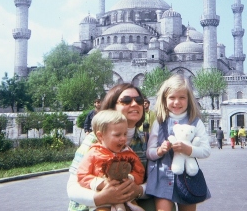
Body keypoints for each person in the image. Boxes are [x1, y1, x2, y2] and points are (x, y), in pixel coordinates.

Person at [67, 83, 173, 211]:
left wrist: (138, 190)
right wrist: (102, 197)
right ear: (112, 107)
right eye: (126, 100)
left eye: (139, 100)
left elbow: (156, 181)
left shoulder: (146, 139)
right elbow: (72, 187)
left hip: (130, 201)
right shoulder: (95, 139)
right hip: (93, 203)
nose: (134, 104)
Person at [146, 74, 211, 211]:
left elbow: (206, 150)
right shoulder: (160, 121)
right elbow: (150, 153)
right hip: (162, 178)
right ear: (164, 99)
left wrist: (188, 149)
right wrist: (159, 151)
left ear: (189, 99)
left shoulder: (195, 121)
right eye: (172, 98)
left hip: (187, 178)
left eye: (182, 98)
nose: (177, 102)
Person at [77, 110, 146, 211]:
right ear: (101, 136)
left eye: (125, 134)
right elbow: (82, 175)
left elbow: (140, 172)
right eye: (117, 135)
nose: (123, 139)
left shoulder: (128, 154)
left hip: (127, 201)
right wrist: (101, 183)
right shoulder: (93, 153)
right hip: (103, 202)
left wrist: (130, 178)